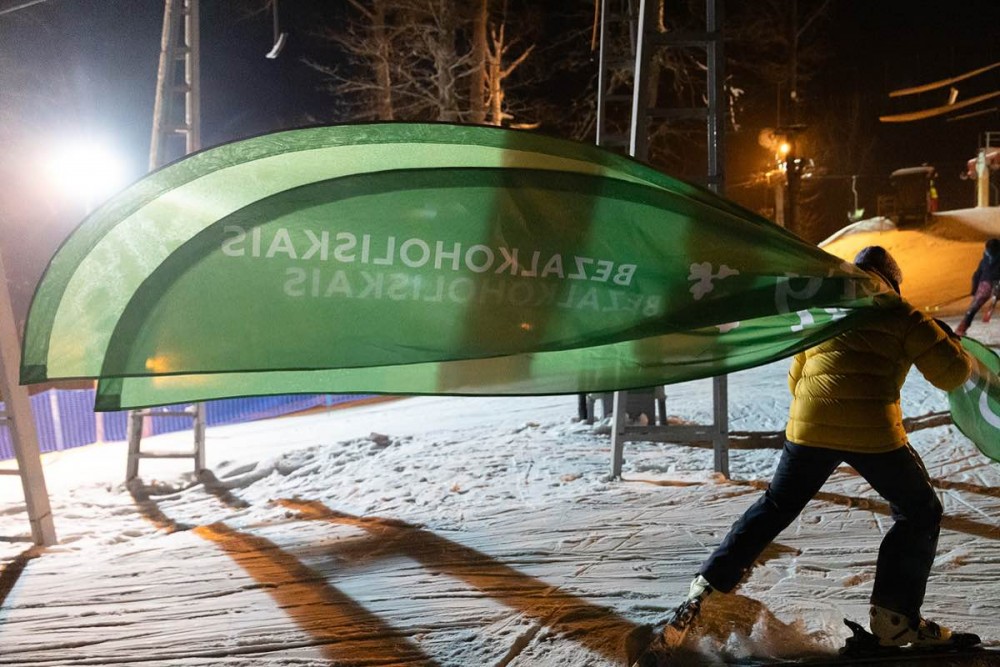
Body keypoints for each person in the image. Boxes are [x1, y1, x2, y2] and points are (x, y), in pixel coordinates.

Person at [673, 246, 973, 648]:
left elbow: (795, 379)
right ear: (893, 283)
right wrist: (948, 340)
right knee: (920, 511)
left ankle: (706, 589)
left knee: (775, 506)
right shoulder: (903, 314)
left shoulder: (825, 310)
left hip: (809, 428)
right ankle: (895, 619)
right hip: (872, 432)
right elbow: (952, 374)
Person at [956, 238, 1000, 337]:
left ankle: (961, 329)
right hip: (997, 284)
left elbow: (976, 275)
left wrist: (974, 290)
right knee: (996, 290)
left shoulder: (984, 261)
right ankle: (993, 302)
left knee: (973, 308)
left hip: (984, 284)